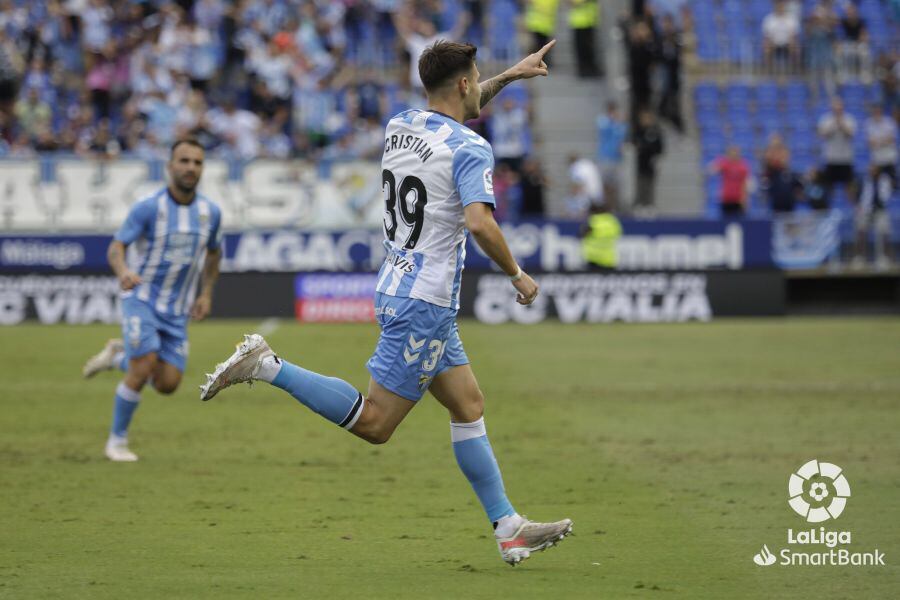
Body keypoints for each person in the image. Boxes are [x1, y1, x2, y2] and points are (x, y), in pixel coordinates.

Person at [198, 39, 573, 566]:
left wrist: (510, 75)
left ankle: (508, 527)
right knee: (376, 424)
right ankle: (267, 365)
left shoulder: (402, 125)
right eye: (478, 77)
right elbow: (479, 221)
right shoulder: (470, 148)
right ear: (464, 83)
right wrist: (517, 273)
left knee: (468, 405)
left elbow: (461, 106)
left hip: (398, 285)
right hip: (427, 302)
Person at [82, 139, 223, 462]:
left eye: (197, 163)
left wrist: (206, 292)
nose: (191, 168)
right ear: (170, 166)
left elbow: (214, 254)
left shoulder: (210, 213)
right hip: (141, 298)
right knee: (143, 366)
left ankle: (118, 356)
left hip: (177, 311)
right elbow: (117, 247)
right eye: (184, 161)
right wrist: (122, 271)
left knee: (168, 383)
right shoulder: (148, 207)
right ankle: (116, 442)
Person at [817, 97, 858, 206]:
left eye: (839, 107)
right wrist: (834, 124)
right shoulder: (826, 119)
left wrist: (841, 124)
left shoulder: (849, 119)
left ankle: (853, 209)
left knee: (849, 186)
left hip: (846, 158)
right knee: (829, 186)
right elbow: (823, 134)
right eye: (835, 107)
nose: (837, 109)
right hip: (831, 158)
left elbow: (850, 134)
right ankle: (829, 208)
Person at [855, 164, 895, 269]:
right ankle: (860, 258)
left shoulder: (885, 180)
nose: (872, 172)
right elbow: (859, 195)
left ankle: (884, 257)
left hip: (881, 210)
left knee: (884, 232)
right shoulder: (864, 180)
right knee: (861, 231)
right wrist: (860, 207)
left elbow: (887, 195)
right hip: (866, 210)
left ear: (878, 170)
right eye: (870, 170)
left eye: (874, 170)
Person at [595, 101, 628, 209]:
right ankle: (605, 206)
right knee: (605, 184)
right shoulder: (603, 120)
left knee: (616, 185)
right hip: (604, 157)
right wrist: (614, 120)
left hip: (617, 159)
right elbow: (603, 129)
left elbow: (624, 135)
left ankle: (614, 207)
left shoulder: (621, 124)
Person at [633, 108, 664, 215]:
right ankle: (640, 204)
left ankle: (650, 204)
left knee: (650, 184)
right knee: (641, 184)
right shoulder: (639, 131)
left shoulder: (655, 131)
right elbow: (635, 143)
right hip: (641, 162)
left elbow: (659, 146)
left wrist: (657, 157)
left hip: (651, 163)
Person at [708, 145, 751, 218]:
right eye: (732, 152)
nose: (733, 154)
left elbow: (745, 183)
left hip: (738, 200)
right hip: (726, 199)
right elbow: (711, 170)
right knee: (725, 221)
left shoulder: (742, 166)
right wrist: (719, 160)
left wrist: (745, 199)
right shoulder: (725, 164)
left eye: (735, 152)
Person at [762, 0, 800, 71]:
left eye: (782, 6)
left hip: (787, 43)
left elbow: (793, 35)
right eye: (778, 6)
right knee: (766, 47)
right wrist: (770, 42)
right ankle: (769, 70)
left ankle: (793, 69)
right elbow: (767, 36)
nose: (780, 7)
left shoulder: (791, 19)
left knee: (795, 46)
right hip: (774, 43)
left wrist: (791, 42)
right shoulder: (769, 19)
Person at [569, 0, 600, 78]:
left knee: (589, 47)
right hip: (579, 22)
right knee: (582, 48)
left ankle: (591, 68)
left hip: (590, 20)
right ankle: (583, 69)